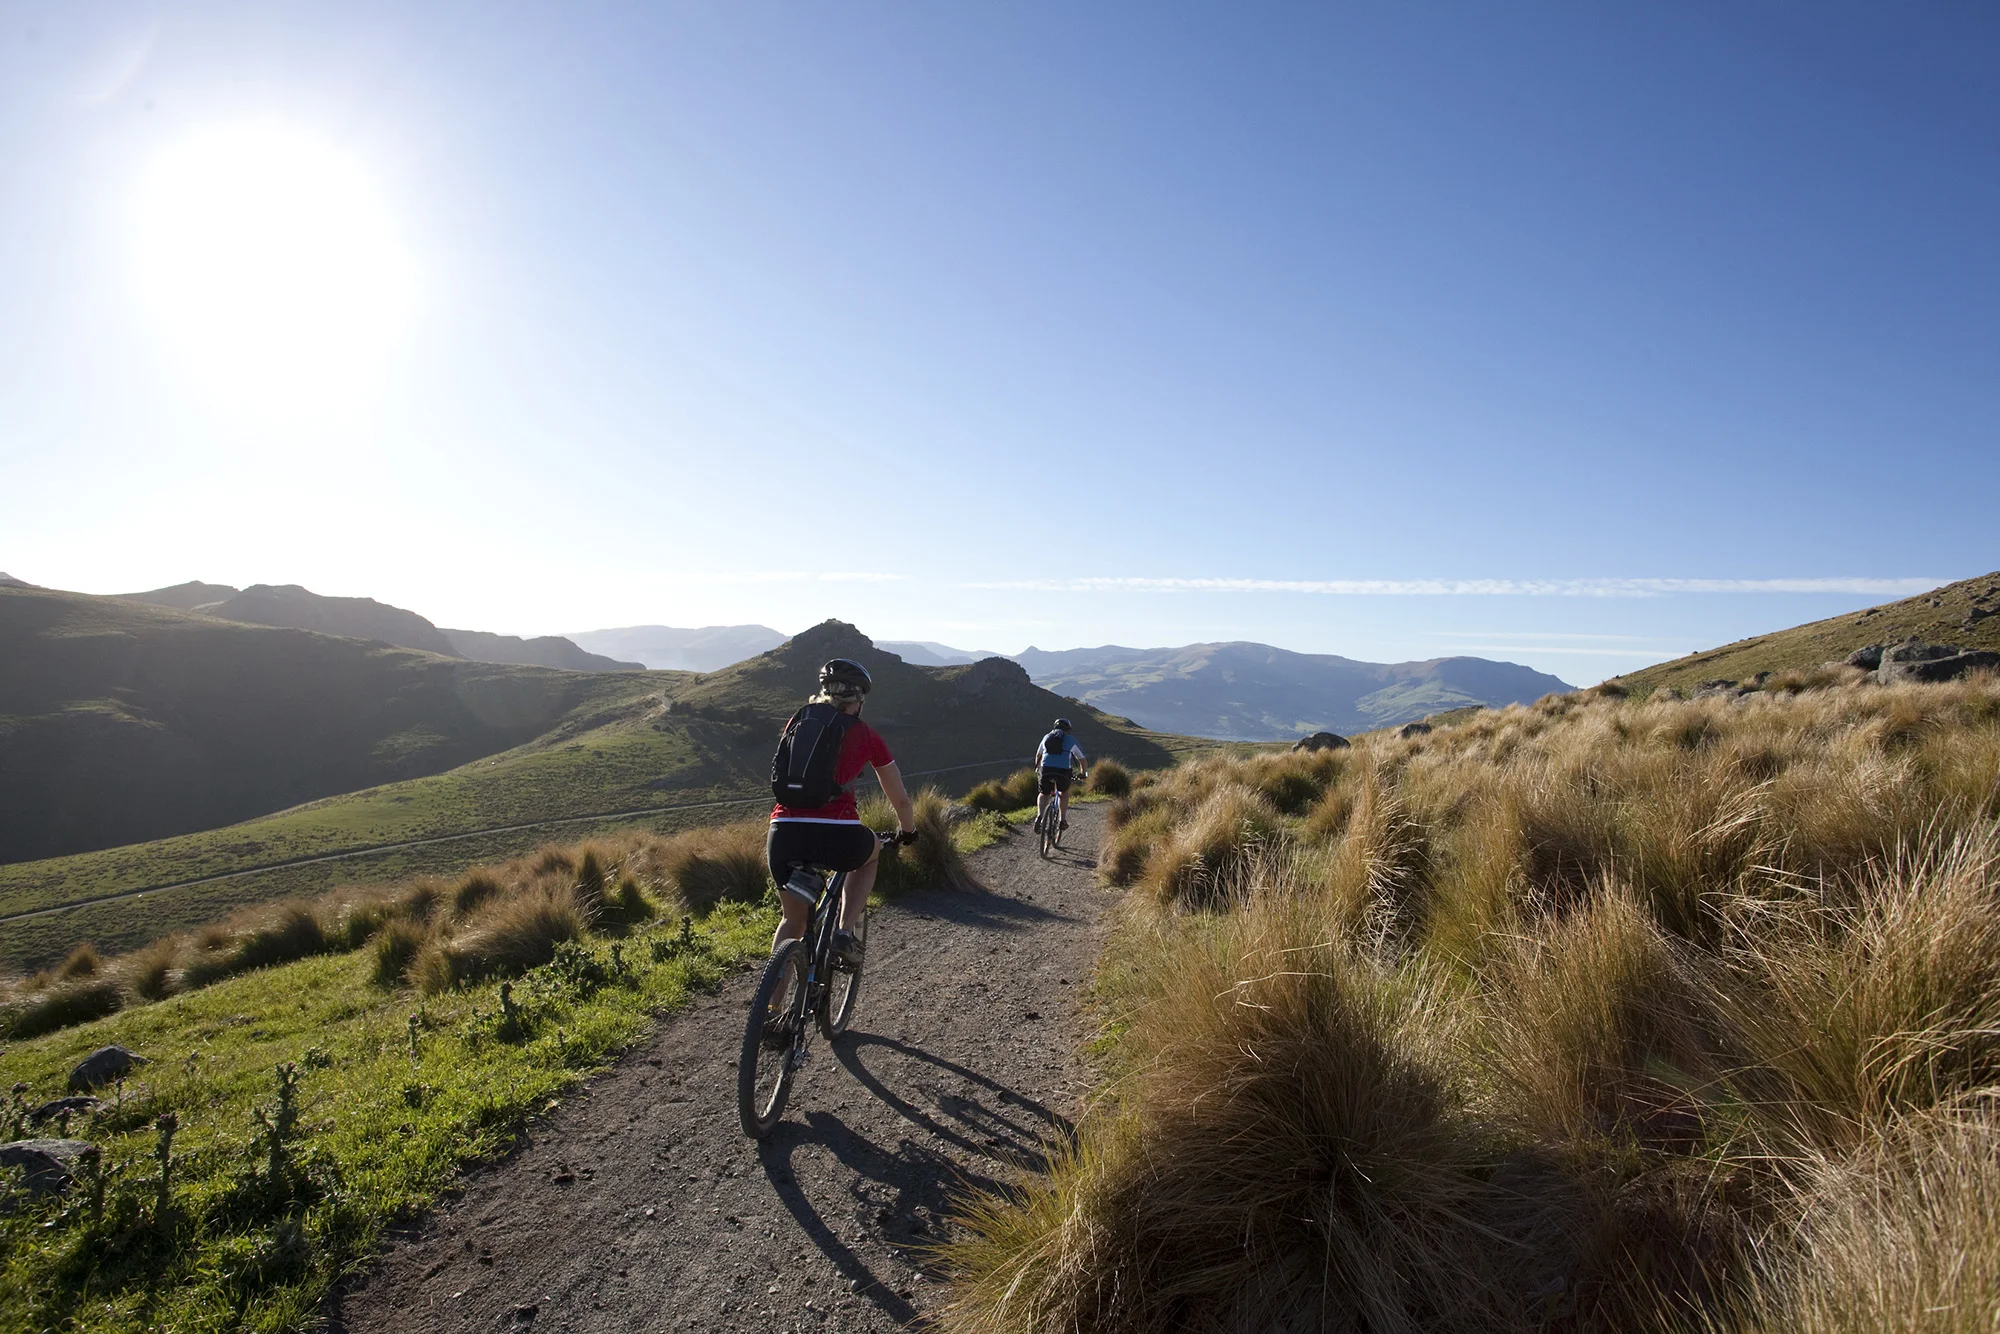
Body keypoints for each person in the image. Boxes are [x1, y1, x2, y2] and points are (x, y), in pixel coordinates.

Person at [767, 658, 916, 965]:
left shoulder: (799, 721)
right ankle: (844, 933)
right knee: (870, 855)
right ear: (859, 700)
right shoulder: (867, 735)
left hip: (783, 831)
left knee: (792, 922)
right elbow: (901, 800)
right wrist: (908, 830)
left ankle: (770, 1008)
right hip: (838, 833)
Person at [1033, 717, 1088, 835]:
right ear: (1068, 729)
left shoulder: (1046, 737)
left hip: (1046, 769)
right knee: (1064, 792)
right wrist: (1083, 774)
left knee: (1044, 793)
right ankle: (1062, 820)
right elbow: (1082, 759)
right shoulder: (1071, 740)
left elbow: (1038, 755)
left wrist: (1038, 769)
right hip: (1063, 771)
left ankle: (1039, 816)